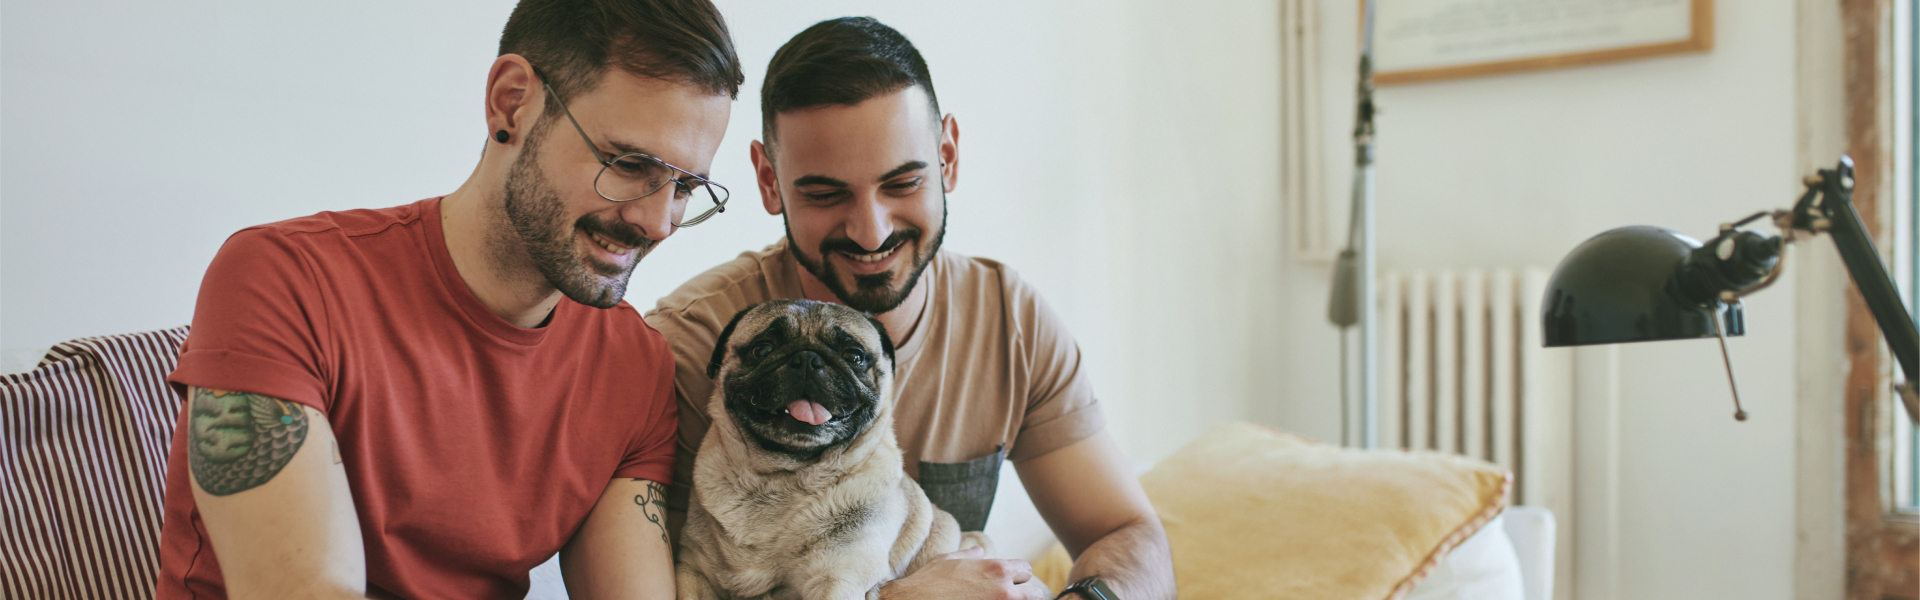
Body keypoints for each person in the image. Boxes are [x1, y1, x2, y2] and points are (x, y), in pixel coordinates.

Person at [155, 1, 742, 597]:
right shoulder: (287, 279)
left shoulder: (632, 364)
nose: (658, 221)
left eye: (687, 187)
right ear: (511, 102)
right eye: (629, 162)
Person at [645, 17, 1176, 600]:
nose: (871, 231)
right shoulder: (687, 343)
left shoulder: (1010, 321)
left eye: (902, 183)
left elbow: (1127, 532)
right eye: (826, 194)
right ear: (769, 181)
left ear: (946, 156)